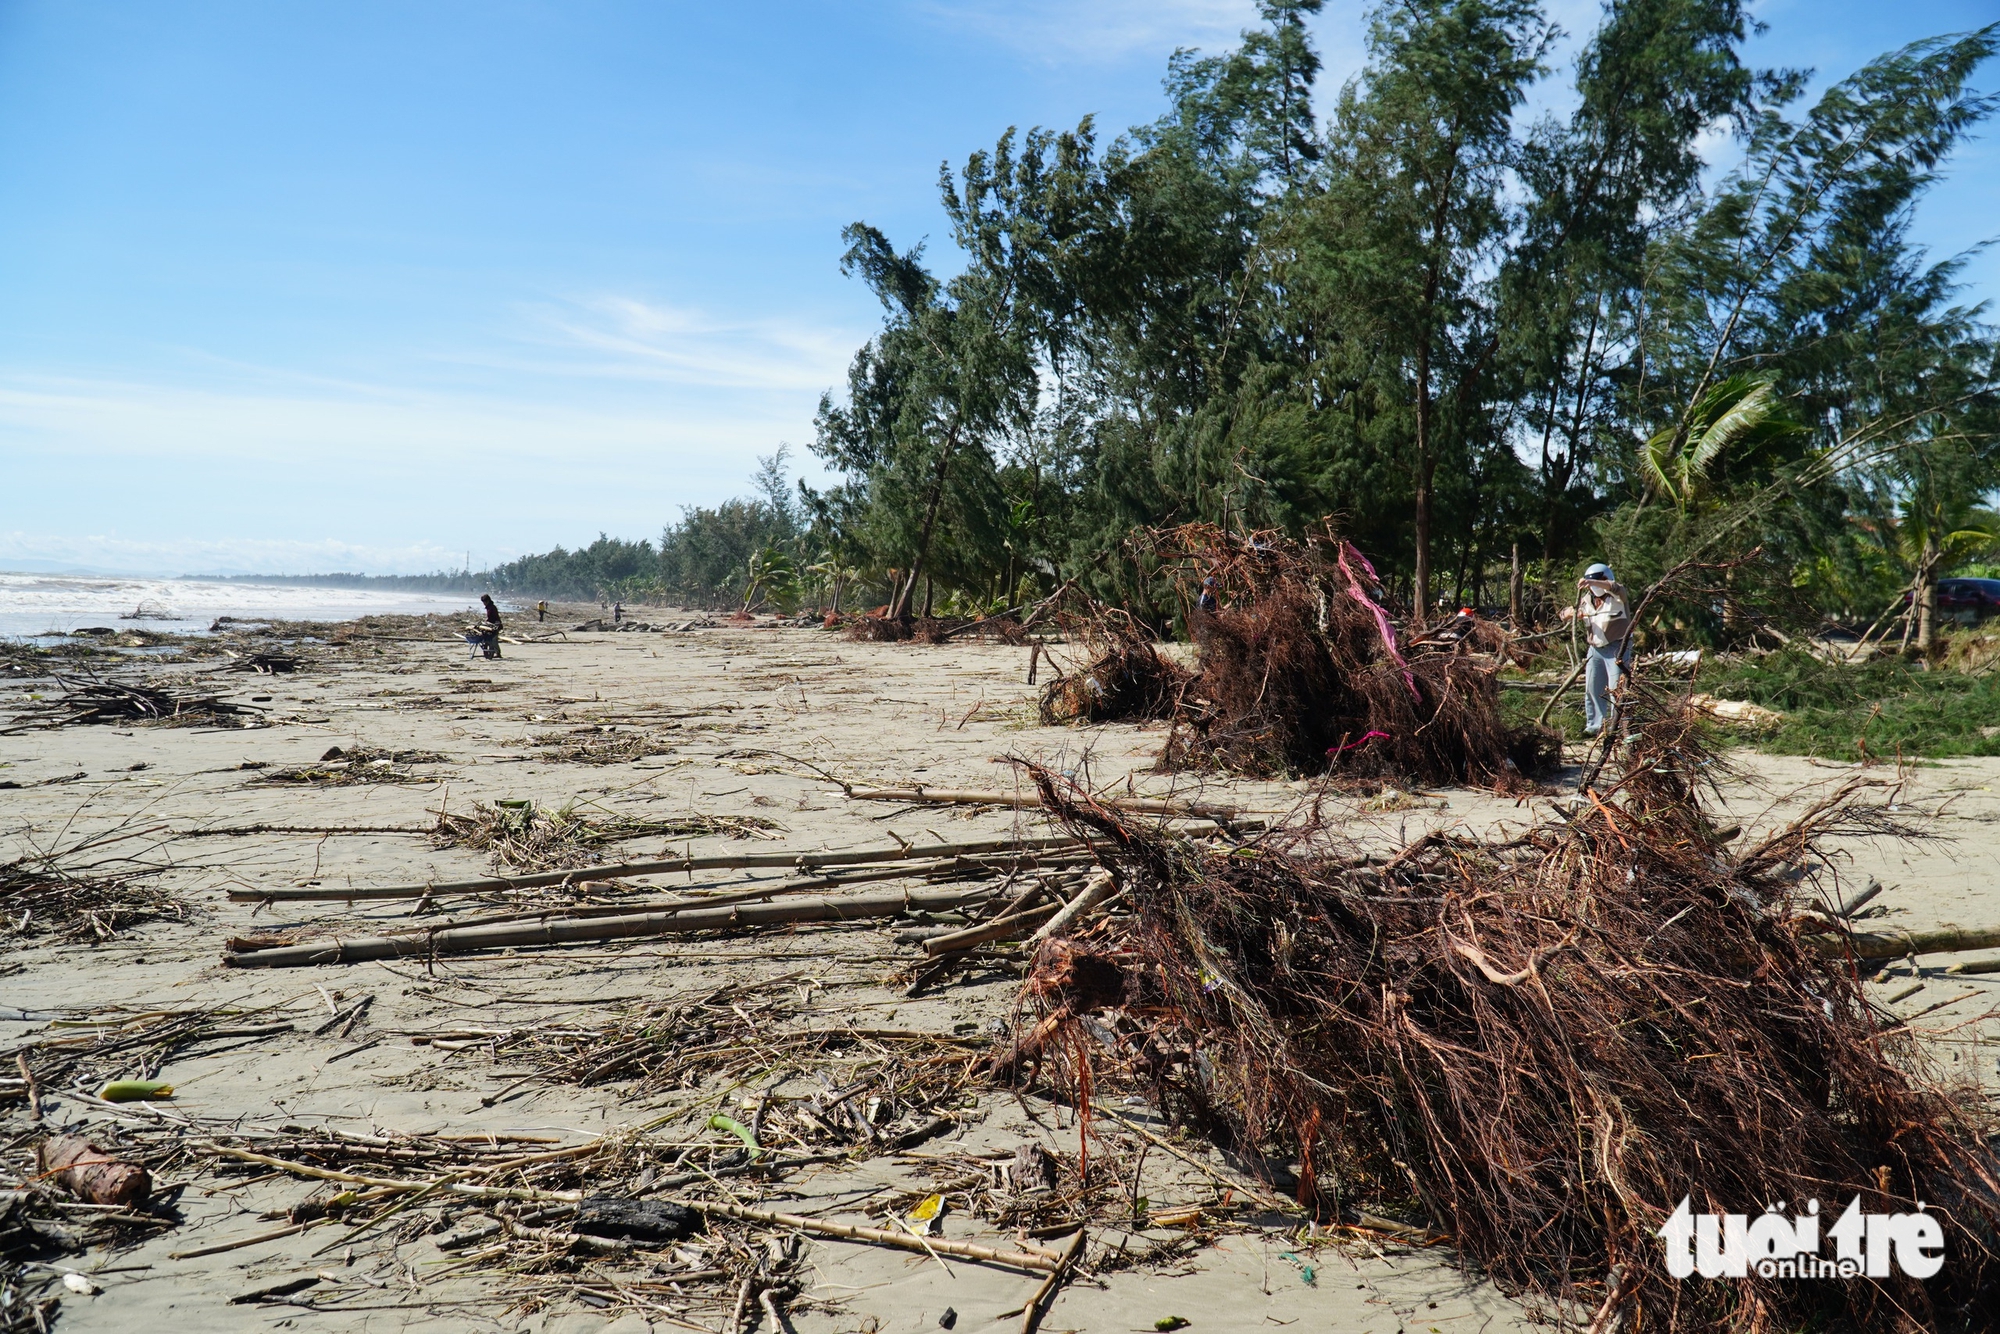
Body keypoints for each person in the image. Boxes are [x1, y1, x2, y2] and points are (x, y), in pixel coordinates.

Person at [1560, 563, 1632, 735]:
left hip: (1617, 647)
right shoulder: (1586, 601)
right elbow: (1563, 615)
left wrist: (1592, 582)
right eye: (1591, 584)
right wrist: (1568, 614)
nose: (1593, 587)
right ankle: (1594, 726)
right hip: (1595, 650)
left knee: (1617, 689)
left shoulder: (1617, 597)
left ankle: (1620, 727)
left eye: (1597, 582)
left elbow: (1615, 587)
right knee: (1593, 688)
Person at [478, 594, 503, 659]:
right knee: (493, 640)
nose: (484, 603)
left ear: (488, 601)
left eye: (484, 602)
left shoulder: (491, 607)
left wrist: (487, 622)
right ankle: (497, 653)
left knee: (493, 640)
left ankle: (496, 653)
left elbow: (493, 618)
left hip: (495, 625)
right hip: (492, 625)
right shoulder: (490, 607)